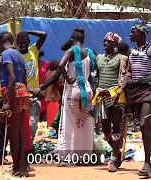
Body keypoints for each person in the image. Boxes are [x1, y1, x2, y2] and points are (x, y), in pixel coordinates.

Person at [127, 23, 151, 176]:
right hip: (135, 92)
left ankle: (146, 163)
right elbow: (130, 73)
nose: (131, 34)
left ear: (143, 34)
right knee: (147, 127)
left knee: (144, 124)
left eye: (134, 31)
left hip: (149, 91)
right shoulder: (132, 51)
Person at [57, 28, 95, 165]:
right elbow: (92, 74)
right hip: (87, 90)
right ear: (83, 40)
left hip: (73, 89)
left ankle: (66, 157)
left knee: (70, 123)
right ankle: (85, 157)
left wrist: (67, 79)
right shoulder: (89, 53)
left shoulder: (72, 50)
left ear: (72, 40)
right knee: (86, 123)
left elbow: (61, 65)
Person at [93, 32, 129, 172]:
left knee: (116, 130)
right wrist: (96, 89)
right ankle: (117, 151)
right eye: (104, 41)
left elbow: (125, 78)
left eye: (108, 41)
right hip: (102, 98)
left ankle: (113, 160)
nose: (105, 43)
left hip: (115, 99)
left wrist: (118, 92)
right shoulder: (99, 58)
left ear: (115, 44)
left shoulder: (122, 59)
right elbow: (95, 77)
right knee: (106, 131)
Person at [0, 32, 29, 177]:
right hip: (22, 91)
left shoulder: (6, 54)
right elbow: (24, 79)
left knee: (13, 133)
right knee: (22, 133)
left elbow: (12, 76)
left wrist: (8, 103)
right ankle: (23, 166)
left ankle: (17, 166)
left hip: (12, 92)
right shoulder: (20, 55)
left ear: (0, 42)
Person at [16, 30, 47, 144]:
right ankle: (21, 147)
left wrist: (27, 31)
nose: (23, 45)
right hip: (21, 96)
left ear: (29, 42)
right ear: (17, 43)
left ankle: (28, 147)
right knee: (21, 125)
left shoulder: (34, 50)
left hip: (34, 97)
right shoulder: (15, 56)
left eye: (25, 42)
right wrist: (30, 90)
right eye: (21, 42)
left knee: (32, 124)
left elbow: (43, 35)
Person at [42, 59, 64, 127]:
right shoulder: (57, 74)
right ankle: (53, 130)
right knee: (55, 116)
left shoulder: (47, 74)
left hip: (48, 98)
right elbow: (60, 85)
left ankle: (50, 129)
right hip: (56, 97)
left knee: (49, 115)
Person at [38, 50, 49, 122]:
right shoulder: (32, 64)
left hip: (44, 87)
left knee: (44, 104)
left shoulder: (45, 63)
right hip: (34, 88)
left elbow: (48, 75)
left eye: (39, 55)